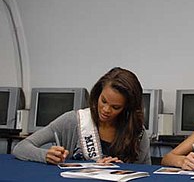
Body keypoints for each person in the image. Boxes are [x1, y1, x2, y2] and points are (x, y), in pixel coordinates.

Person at [13, 67, 151, 164]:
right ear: (97, 94)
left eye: (115, 107)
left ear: (127, 108)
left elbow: (148, 173)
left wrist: (121, 169)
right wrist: (46, 155)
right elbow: (21, 147)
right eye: (103, 101)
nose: (106, 109)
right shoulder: (72, 121)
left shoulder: (137, 132)